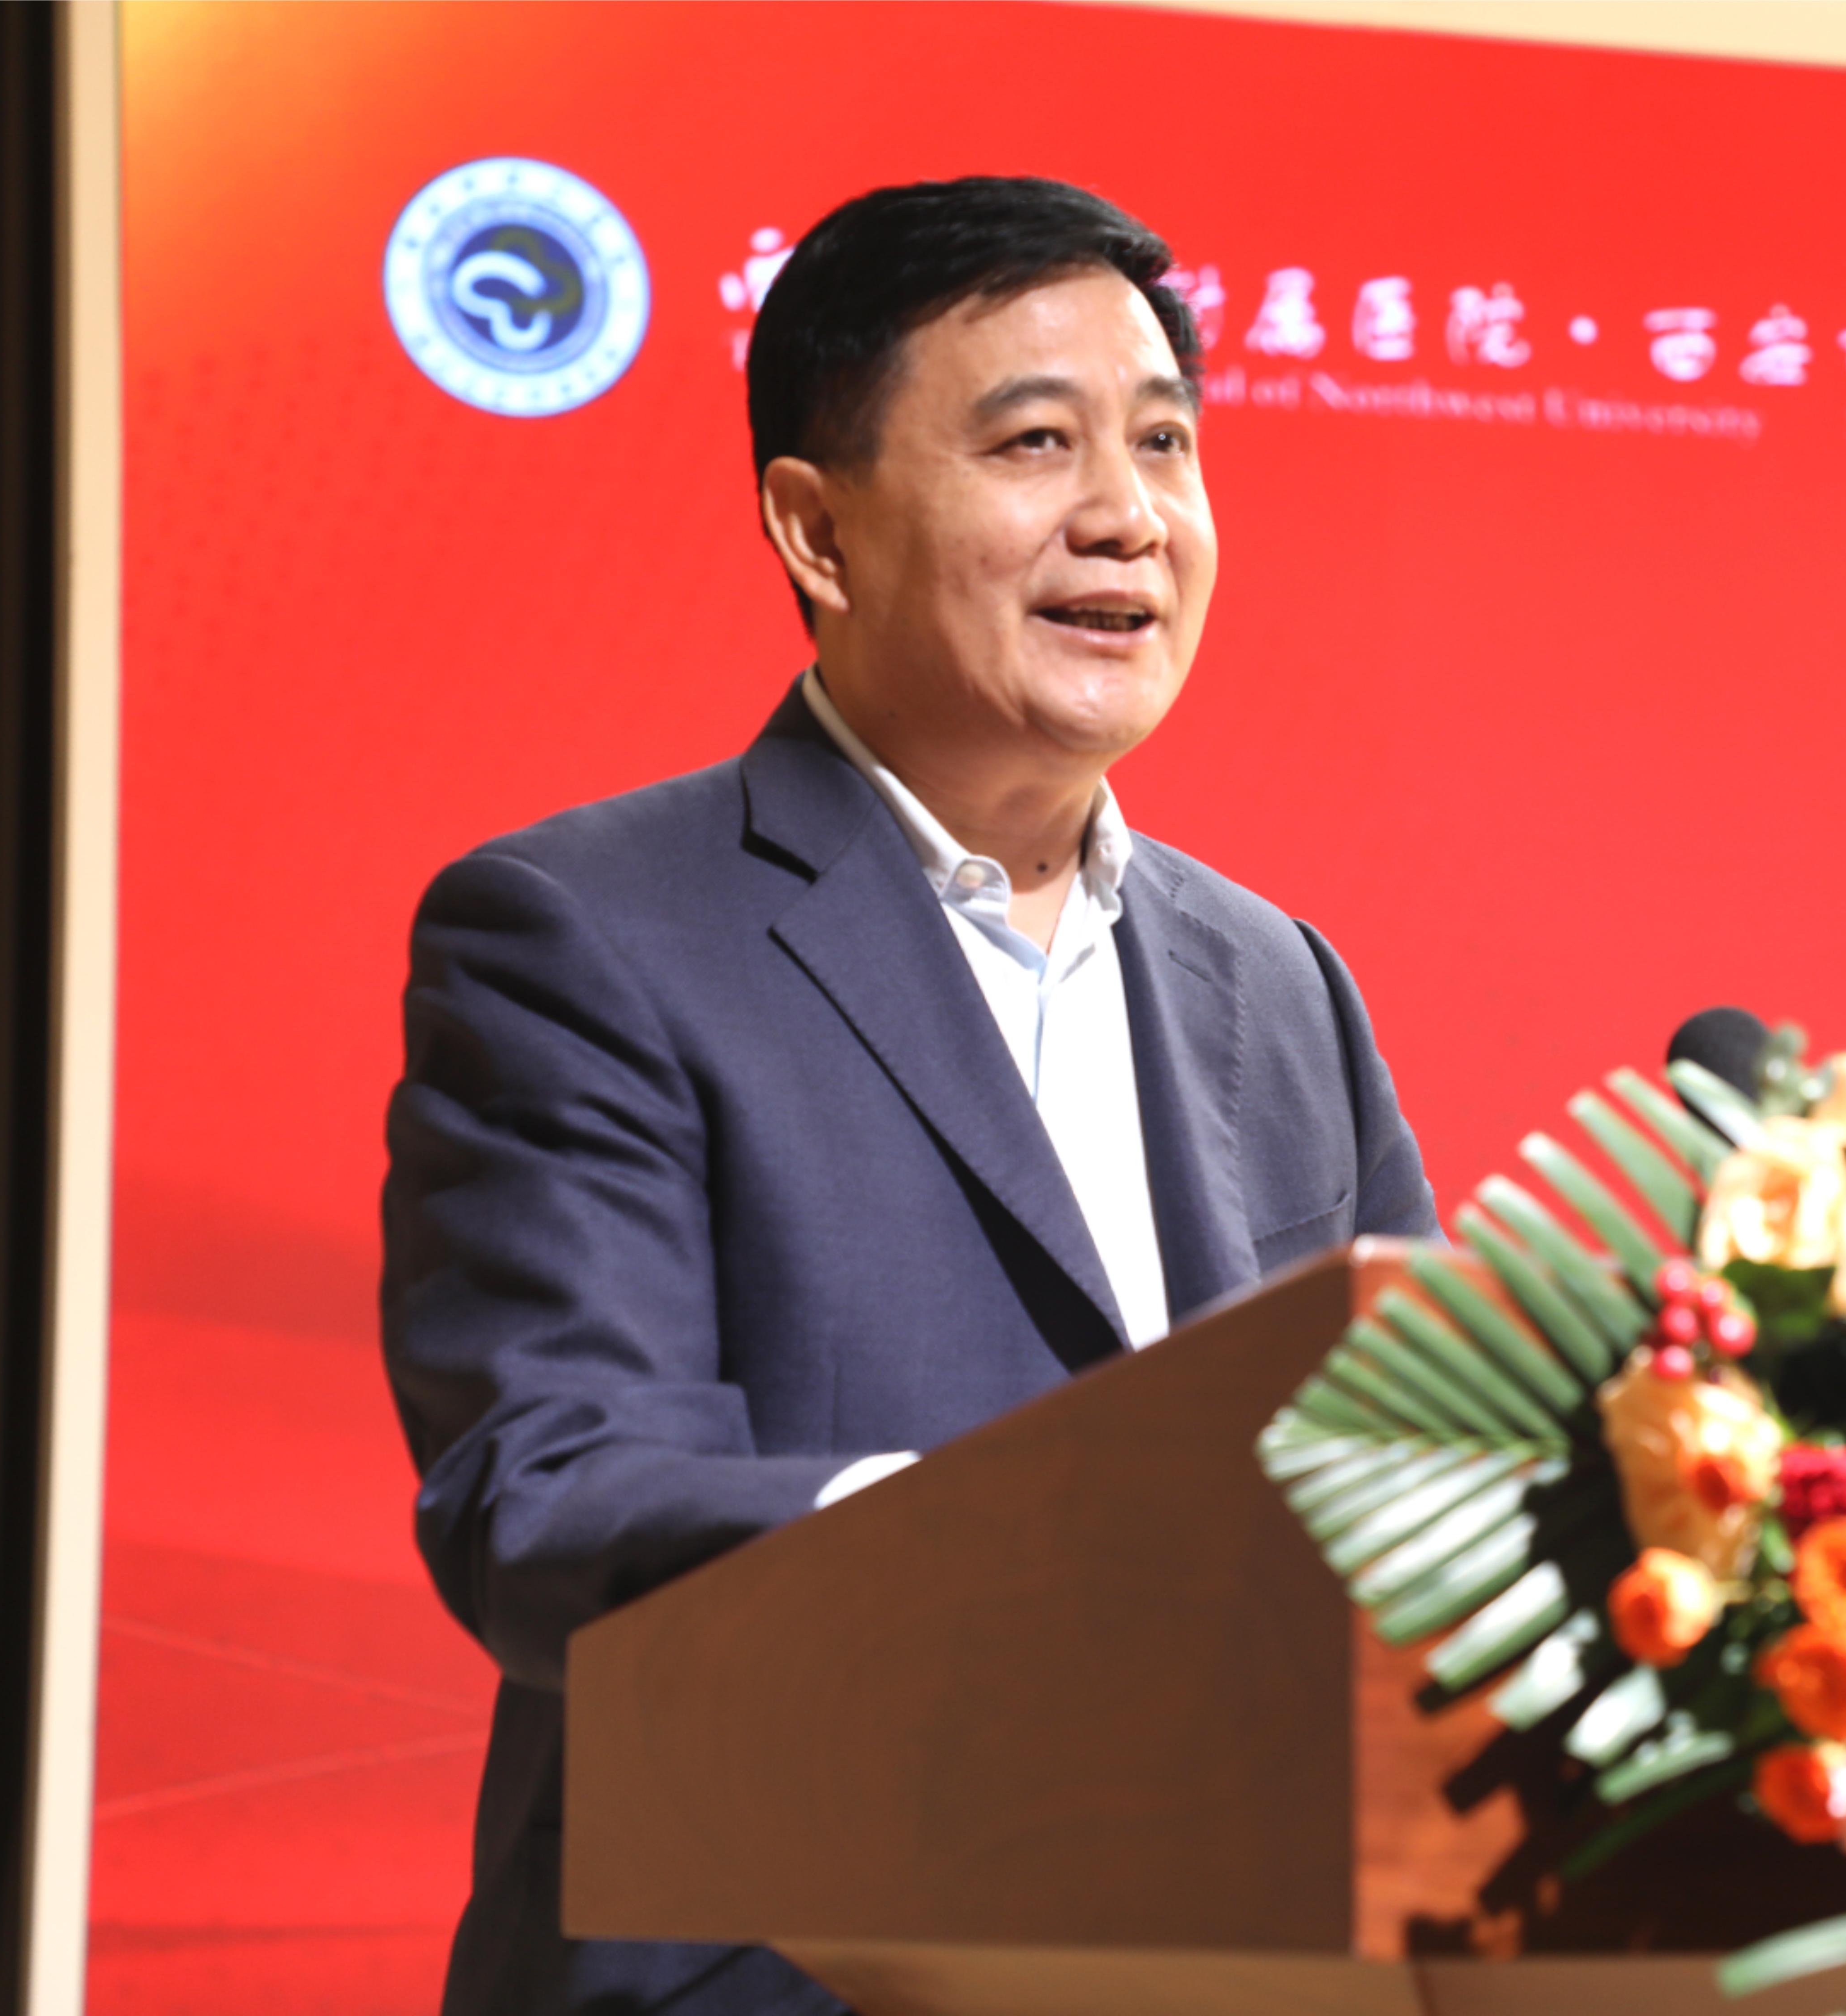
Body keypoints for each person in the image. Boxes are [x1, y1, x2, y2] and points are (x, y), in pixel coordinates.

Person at [379, 177, 1437, 2015]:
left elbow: (1423, 1492)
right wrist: (1040, 1546)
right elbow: (551, 1500)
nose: (1129, 516)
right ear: (819, 528)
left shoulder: (1280, 981)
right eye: (1036, 443)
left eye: (1163, 443)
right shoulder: (586, 935)